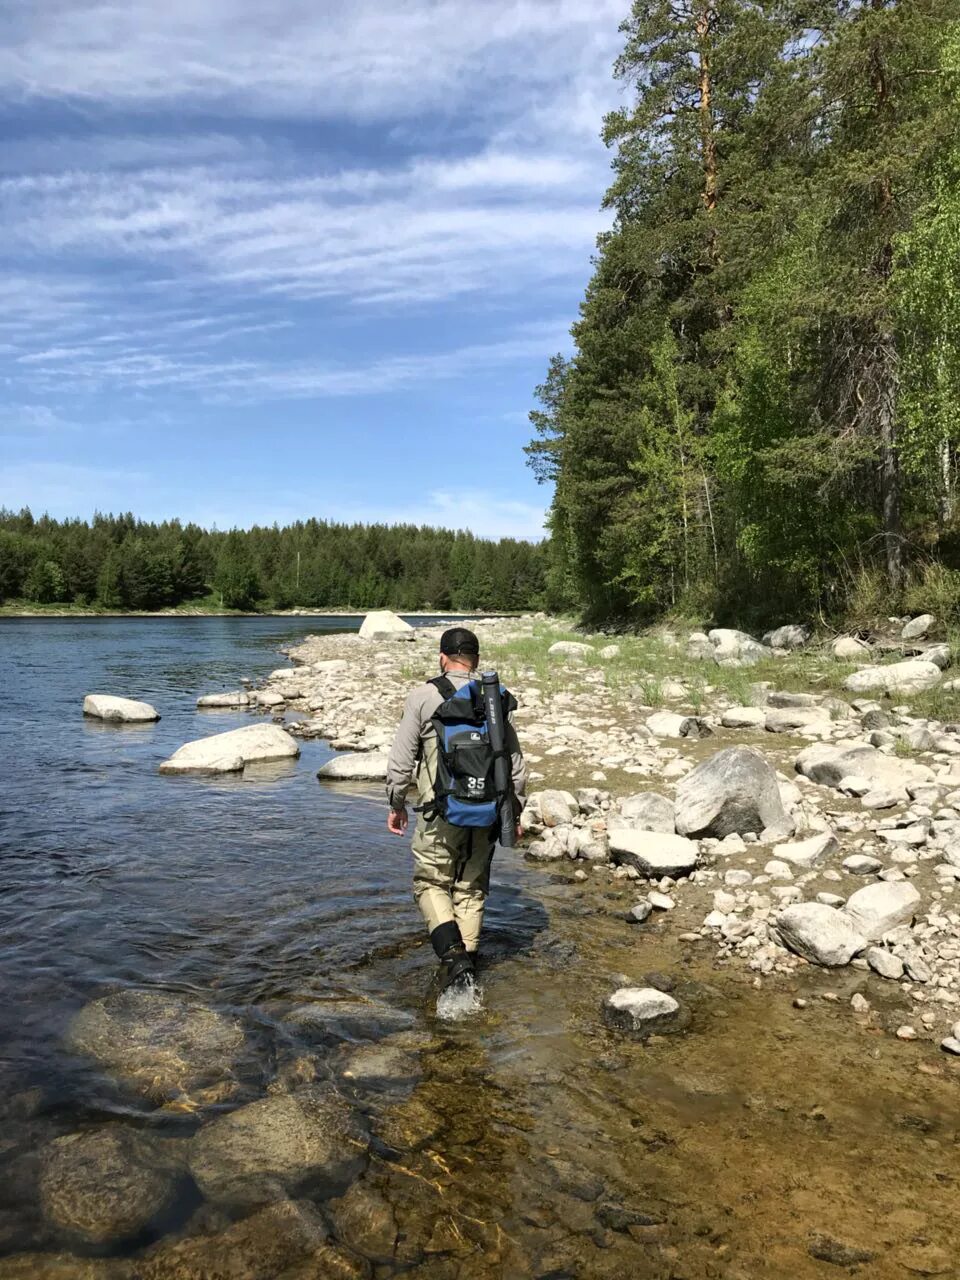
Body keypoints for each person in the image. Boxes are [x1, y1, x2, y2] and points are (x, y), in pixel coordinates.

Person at [385, 626, 525, 988]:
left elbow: (401, 764)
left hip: (439, 810)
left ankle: (452, 957)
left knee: (430, 882)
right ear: (475, 661)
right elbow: (516, 766)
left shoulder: (423, 696)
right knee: (470, 888)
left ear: (442, 658)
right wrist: (515, 811)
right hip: (488, 811)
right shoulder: (495, 699)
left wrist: (397, 803)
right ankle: (468, 975)